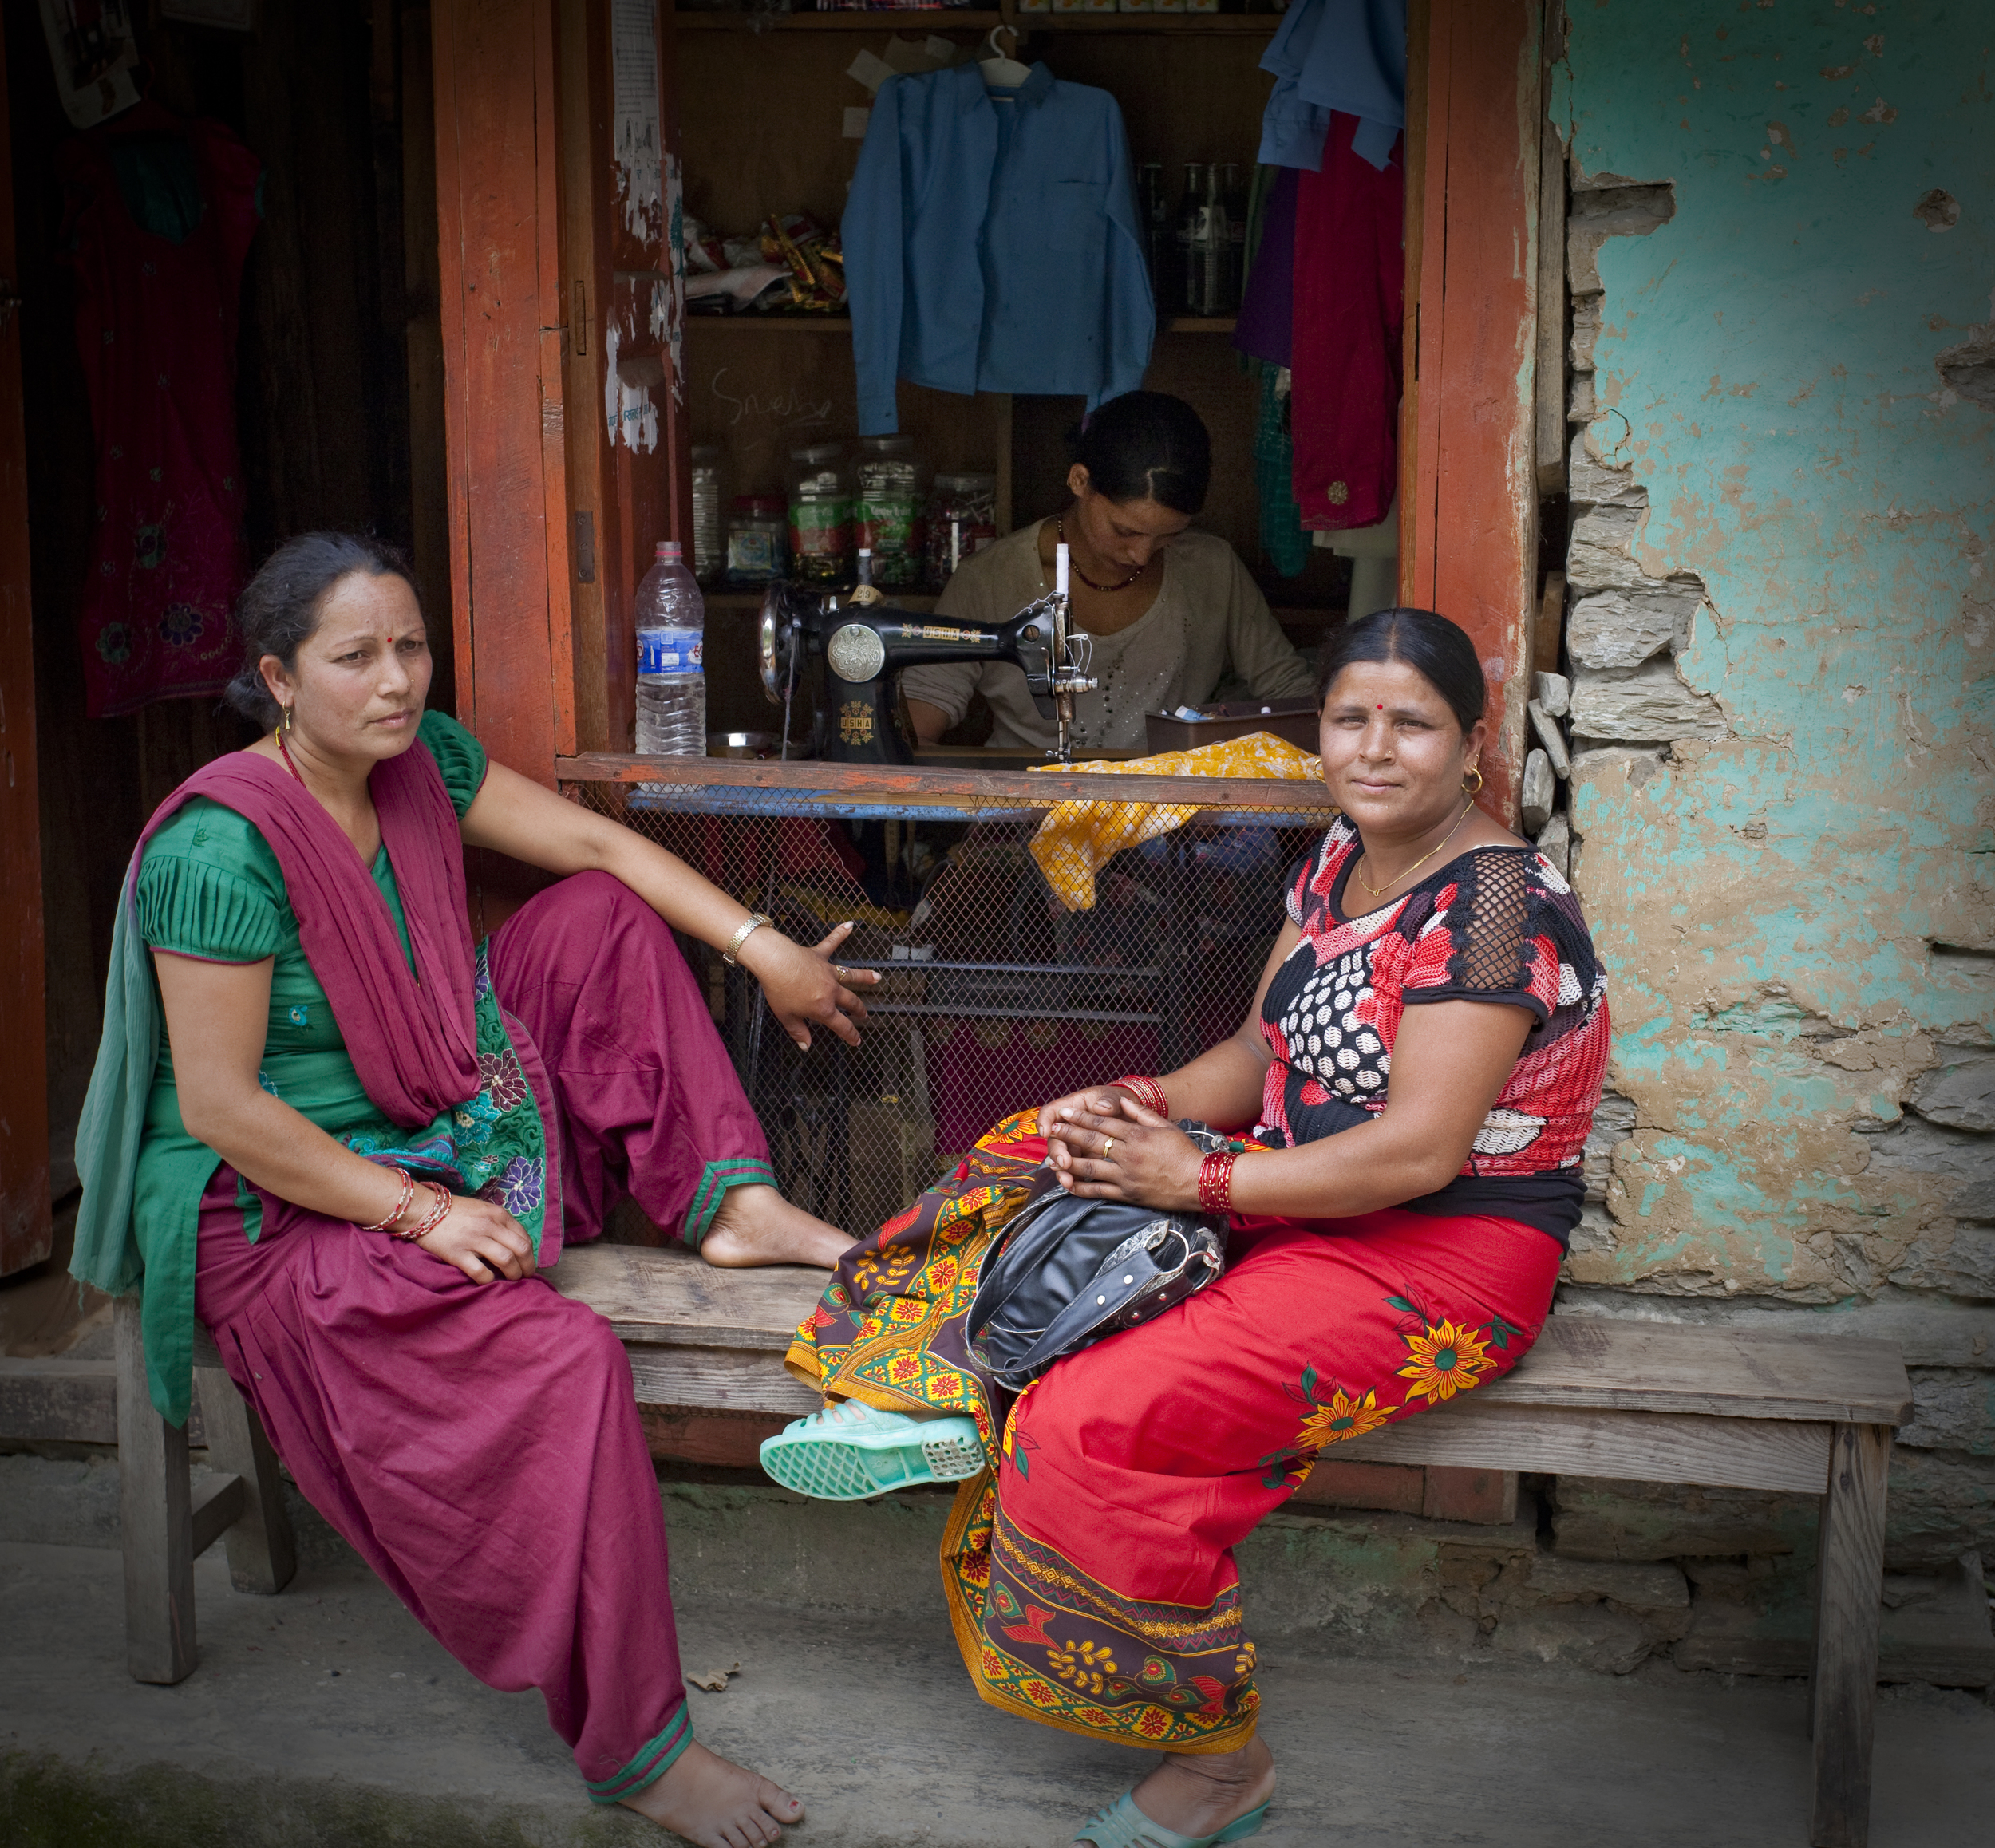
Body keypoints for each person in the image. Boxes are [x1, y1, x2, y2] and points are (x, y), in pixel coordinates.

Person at [71, 533, 881, 1848]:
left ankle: (728, 1204)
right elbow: (224, 1109)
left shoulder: (417, 762)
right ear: (277, 678)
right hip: (282, 1199)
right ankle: (637, 1744)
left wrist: (766, 947)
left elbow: (597, 851)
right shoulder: (217, 853)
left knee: (596, 920)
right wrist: (420, 1210)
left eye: (411, 646)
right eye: (355, 657)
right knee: (567, 1359)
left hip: (433, 1109)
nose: (395, 681)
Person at [766, 607, 1610, 1846]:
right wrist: (1141, 1109)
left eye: (1412, 725)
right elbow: (1256, 1049)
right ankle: (931, 1399)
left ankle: (1223, 1766)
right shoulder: (1339, 858)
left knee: (1093, 1418)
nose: (1374, 750)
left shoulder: (1494, 910)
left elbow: (1424, 1151)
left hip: (1441, 1251)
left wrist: (1195, 1183)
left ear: (1473, 744)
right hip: (1292, 1187)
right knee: (1029, 1149)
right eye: (1349, 719)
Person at [902, 391, 1315, 753]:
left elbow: (1290, 692)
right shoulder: (991, 580)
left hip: (1166, 814)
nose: (1141, 555)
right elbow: (923, 714)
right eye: (1125, 531)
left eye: (1166, 537)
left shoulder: (1212, 568)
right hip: (1026, 811)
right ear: (1080, 481)